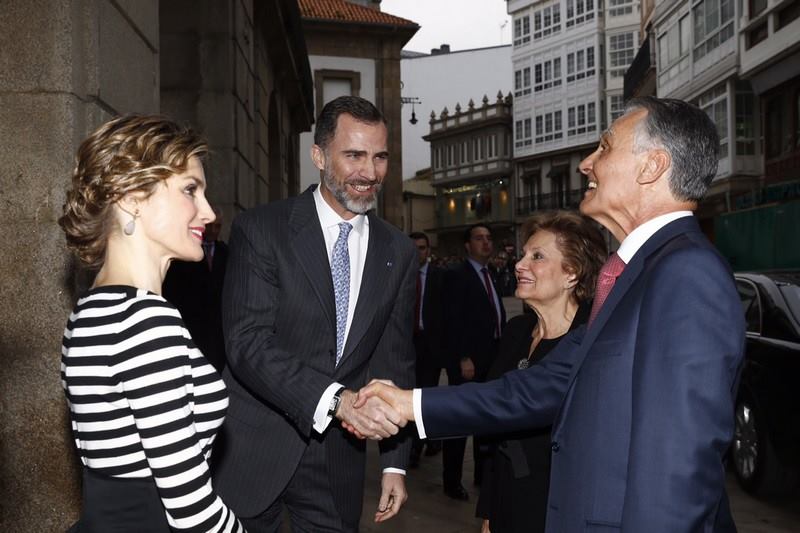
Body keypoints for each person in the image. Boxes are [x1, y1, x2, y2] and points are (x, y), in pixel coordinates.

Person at [357, 97, 746, 532]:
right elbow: (535, 389)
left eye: (605, 147)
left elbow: (679, 465)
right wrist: (409, 402)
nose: (586, 163)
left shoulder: (685, 272)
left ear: (652, 166)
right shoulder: (638, 274)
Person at [212, 96, 416, 532]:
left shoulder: (398, 250)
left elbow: (394, 358)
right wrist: (336, 401)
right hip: (254, 448)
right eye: (354, 155)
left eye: (380, 157)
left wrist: (394, 463)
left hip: (338, 462)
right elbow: (247, 344)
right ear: (319, 156)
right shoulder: (263, 229)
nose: (370, 172)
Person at [58, 115, 244, 532]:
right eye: (190, 190)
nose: (208, 212)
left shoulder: (87, 312)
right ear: (132, 198)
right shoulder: (147, 321)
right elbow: (191, 509)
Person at [475, 211, 606, 533]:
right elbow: (493, 427)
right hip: (508, 500)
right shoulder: (516, 332)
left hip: (559, 505)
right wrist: (489, 510)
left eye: (537, 257)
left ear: (572, 273)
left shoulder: (593, 341)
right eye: (523, 255)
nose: (519, 265)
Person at [441, 223, 507, 500]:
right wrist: (463, 357)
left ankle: (482, 473)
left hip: (491, 357)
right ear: (467, 245)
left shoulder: (490, 274)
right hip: (468, 361)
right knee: (460, 420)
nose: (486, 243)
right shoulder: (457, 275)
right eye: (479, 238)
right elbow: (452, 320)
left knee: (485, 419)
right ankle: (452, 480)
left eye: (489, 238)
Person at [162, 207, 228, 371]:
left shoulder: (227, 253)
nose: (213, 231)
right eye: (210, 226)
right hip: (192, 324)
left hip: (219, 328)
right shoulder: (185, 253)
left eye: (218, 226)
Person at [408, 231, 445, 467]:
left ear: (428, 251)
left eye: (421, 248)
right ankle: (421, 443)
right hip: (407, 345)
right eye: (413, 248)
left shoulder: (440, 277)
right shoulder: (401, 275)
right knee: (411, 395)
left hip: (431, 346)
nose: (418, 253)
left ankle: (422, 443)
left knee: (426, 396)